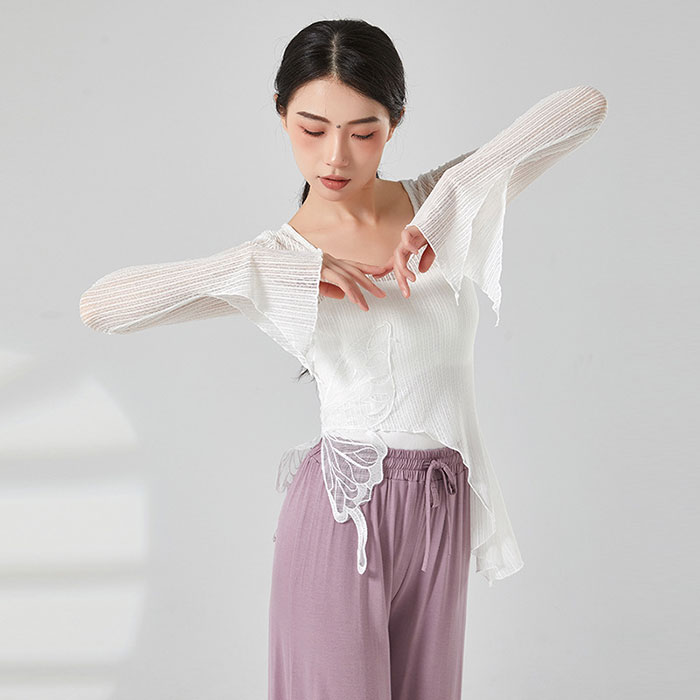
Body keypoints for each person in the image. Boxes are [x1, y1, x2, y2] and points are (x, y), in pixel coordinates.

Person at [79, 17, 608, 700]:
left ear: (394, 124)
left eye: (363, 132)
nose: (335, 157)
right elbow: (101, 308)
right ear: (281, 115)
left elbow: (584, 108)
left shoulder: (439, 200)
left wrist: (444, 209)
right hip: (344, 511)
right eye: (312, 129)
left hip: (441, 503)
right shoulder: (277, 261)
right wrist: (274, 270)